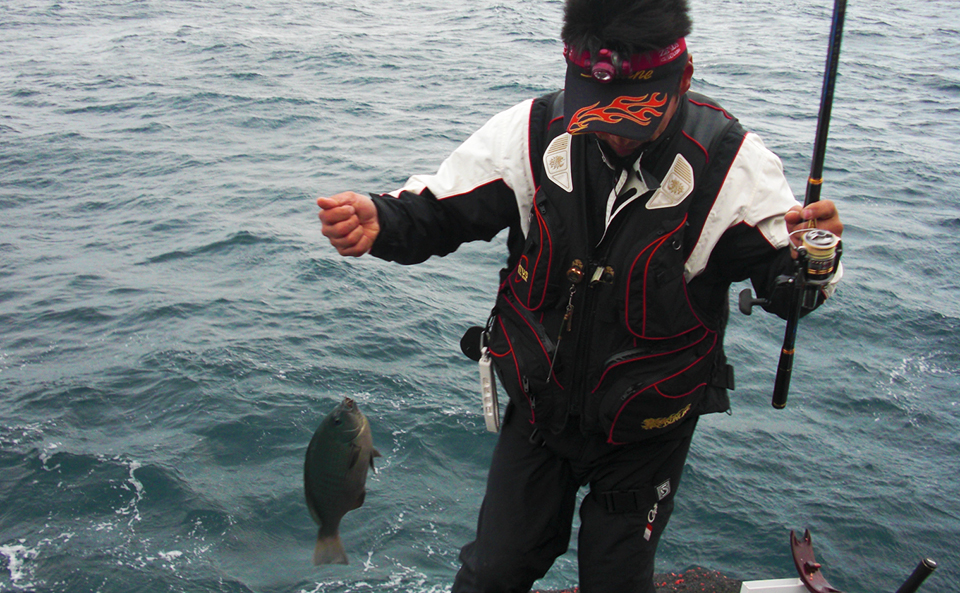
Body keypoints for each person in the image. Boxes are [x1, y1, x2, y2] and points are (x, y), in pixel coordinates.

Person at [316, 0, 844, 591]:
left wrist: (813, 263)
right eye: (599, 115)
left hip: (648, 431)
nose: (616, 135)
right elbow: (437, 211)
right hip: (539, 412)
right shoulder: (532, 129)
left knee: (615, 580)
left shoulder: (735, 167)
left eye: (636, 117)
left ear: (685, 76)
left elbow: (787, 283)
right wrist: (380, 223)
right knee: (491, 574)